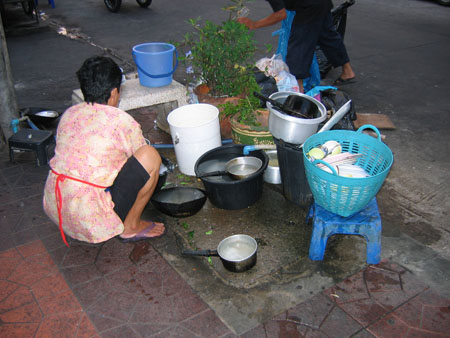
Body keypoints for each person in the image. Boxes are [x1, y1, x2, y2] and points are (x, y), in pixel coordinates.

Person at [43, 55, 165, 246]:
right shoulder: (121, 120)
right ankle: (130, 227)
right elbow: (141, 159)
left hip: (57, 208)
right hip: (90, 219)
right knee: (150, 156)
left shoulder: (70, 114)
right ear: (114, 92)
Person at [238, 0, 355, 93]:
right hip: (320, 3)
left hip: (310, 6)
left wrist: (254, 24)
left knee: (299, 46)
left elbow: (280, 14)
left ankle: (298, 91)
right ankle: (347, 71)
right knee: (327, 36)